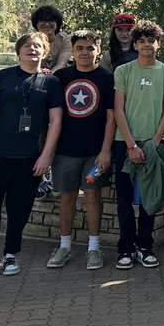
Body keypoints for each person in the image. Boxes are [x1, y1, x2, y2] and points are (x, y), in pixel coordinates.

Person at [0, 32, 64, 279]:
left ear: (45, 51)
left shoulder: (51, 83)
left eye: (37, 46)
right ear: (18, 51)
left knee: (19, 210)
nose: (32, 50)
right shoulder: (1, 77)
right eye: (27, 46)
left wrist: (46, 156)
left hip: (30, 159)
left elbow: (55, 122)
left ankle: (11, 254)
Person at [47, 30, 115, 271]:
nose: (85, 52)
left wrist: (105, 150)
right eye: (80, 48)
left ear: (98, 50)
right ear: (72, 51)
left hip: (95, 155)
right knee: (67, 197)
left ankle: (94, 248)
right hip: (65, 152)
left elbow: (111, 117)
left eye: (90, 48)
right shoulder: (61, 77)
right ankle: (64, 246)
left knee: (93, 197)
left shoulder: (107, 78)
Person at [112, 20, 164, 270]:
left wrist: (153, 142)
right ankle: (125, 249)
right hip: (125, 143)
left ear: (158, 43)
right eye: (141, 41)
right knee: (125, 200)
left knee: (150, 198)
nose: (146, 45)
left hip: (154, 144)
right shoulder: (123, 71)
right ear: (135, 44)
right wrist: (131, 145)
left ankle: (145, 247)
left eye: (151, 40)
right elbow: (118, 110)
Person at [31, 4, 71, 73]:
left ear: (57, 23)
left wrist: (47, 79)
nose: (47, 24)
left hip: (60, 76)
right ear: (36, 24)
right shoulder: (30, 41)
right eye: (42, 21)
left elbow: (61, 64)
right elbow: (29, 65)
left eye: (51, 21)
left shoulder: (66, 40)